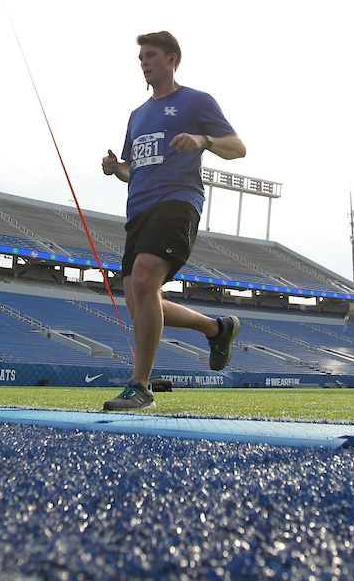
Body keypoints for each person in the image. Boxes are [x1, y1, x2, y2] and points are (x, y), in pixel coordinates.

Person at [101, 31, 246, 411]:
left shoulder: (196, 101)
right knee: (140, 301)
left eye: (150, 55)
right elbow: (137, 169)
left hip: (178, 201)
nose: (144, 63)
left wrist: (203, 141)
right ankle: (216, 329)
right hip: (139, 211)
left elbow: (238, 147)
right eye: (140, 58)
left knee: (146, 279)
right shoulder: (137, 115)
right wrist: (117, 168)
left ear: (171, 59)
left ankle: (140, 387)